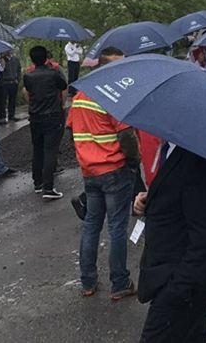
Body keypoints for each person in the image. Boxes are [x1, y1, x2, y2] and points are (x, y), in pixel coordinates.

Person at [134, 144, 206, 342]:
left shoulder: (199, 161)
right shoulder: (169, 148)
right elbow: (176, 193)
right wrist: (148, 200)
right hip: (175, 275)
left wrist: (177, 290)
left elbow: (204, 237)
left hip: (182, 283)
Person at [66, 46, 140, 299]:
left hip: (90, 172)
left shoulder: (80, 96)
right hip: (115, 170)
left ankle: (88, 282)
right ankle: (119, 283)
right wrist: (133, 161)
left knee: (91, 226)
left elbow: (71, 130)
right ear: (108, 67)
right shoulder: (113, 96)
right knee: (117, 228)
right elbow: (127, 135)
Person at [22, 46, 67, 199]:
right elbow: (63, 86)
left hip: (35, 117)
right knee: (51, 150)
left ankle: (37, 182)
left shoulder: (28, 77)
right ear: (46, 57)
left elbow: (29, 91)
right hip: (53, 116)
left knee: (38, 149)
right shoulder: (53, 74)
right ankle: (48, 187)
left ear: (32, 59)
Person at [0, 50, 22, 123]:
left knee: (12, 100)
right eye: (7, 51)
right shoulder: (2, 59)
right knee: (3, 101)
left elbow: (19, 69)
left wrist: (18, 79)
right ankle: (3, 117)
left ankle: (11, 116)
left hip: (14, 82)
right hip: (4, 83)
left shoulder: (15, 59)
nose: (9, 52)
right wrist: (2, 63)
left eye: (10, 50)